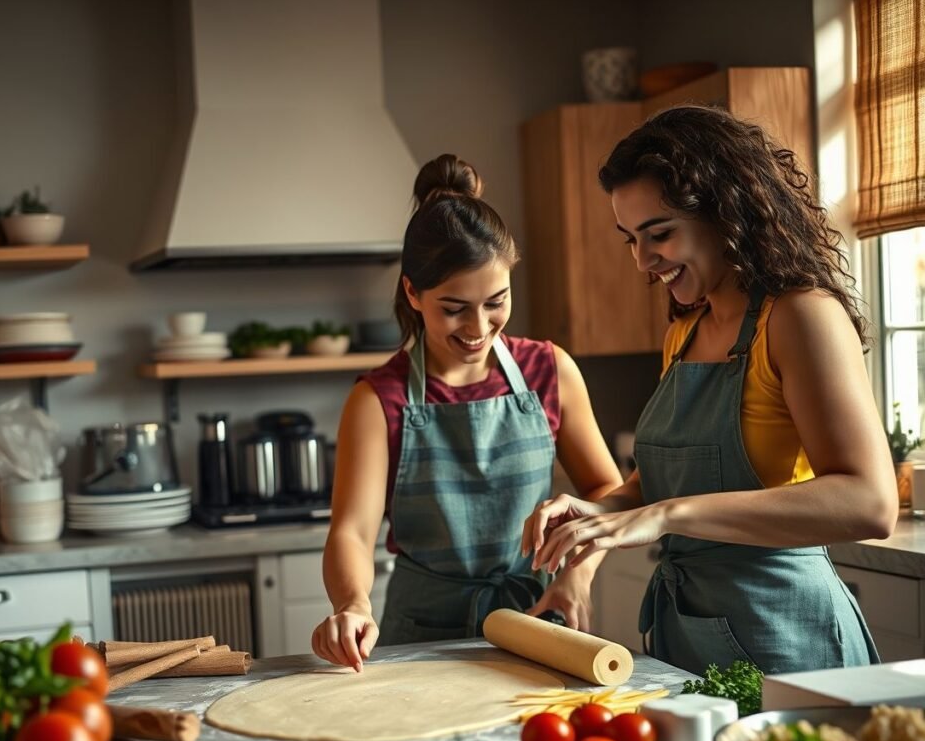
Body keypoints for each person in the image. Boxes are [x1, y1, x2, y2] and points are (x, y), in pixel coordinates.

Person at [522, 105, 898, 678]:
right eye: (630, 240)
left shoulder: (801, 318)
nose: (643, 261)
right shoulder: (684, 332)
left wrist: (668, 514)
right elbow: (667, 484)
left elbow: (870, 502)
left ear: (727, 212)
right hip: (687, 633)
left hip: (789, 636)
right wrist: (600, 511)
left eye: (660, 234)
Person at [312, 153, 622, 671]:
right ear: (413, 292)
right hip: (418, 639)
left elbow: (607, 492)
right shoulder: (377, 399)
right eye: (454, 308)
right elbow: (352, 531)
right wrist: (352, 604)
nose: (478, 327)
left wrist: (578, 574)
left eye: (496, 302)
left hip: (535, 625)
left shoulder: (549, 369)